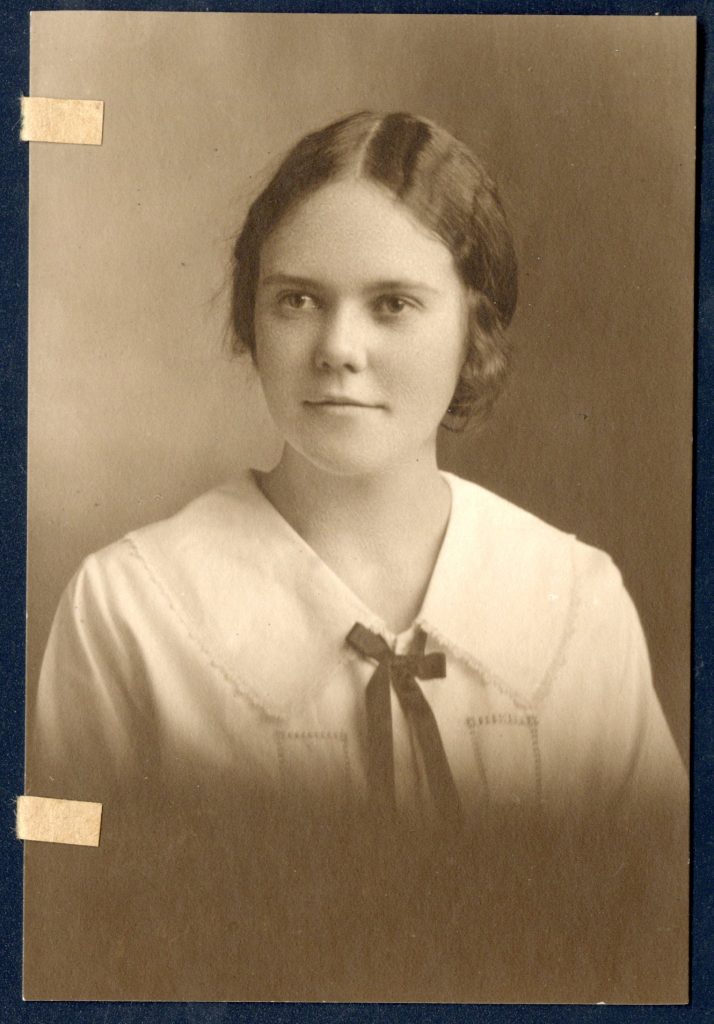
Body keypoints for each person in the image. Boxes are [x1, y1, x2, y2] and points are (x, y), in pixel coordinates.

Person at [25, 111, 688, 1003]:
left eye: (393, 304)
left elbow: (661, 929)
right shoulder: (130, 609)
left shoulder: (574, 599)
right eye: (297, 299)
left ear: (474, 333)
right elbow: (63, 922)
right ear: (250, 321)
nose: (338, 349)